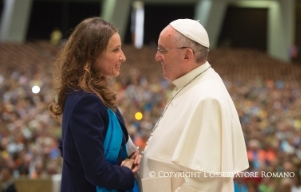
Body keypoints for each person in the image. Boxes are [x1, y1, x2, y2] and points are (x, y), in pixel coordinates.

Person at [139, 19, 249, 192]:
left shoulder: (207, 98)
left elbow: (204, 184)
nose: (157, 56)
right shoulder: (189, 84)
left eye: (162, 50)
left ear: (187, 55)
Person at [49, 17, 140, 192]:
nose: (123, 57)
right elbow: (96, 171)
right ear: (92, 54)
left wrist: (132, 153)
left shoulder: (90, 93)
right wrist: (127, 172)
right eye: (115, 50)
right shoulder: (86, 100)